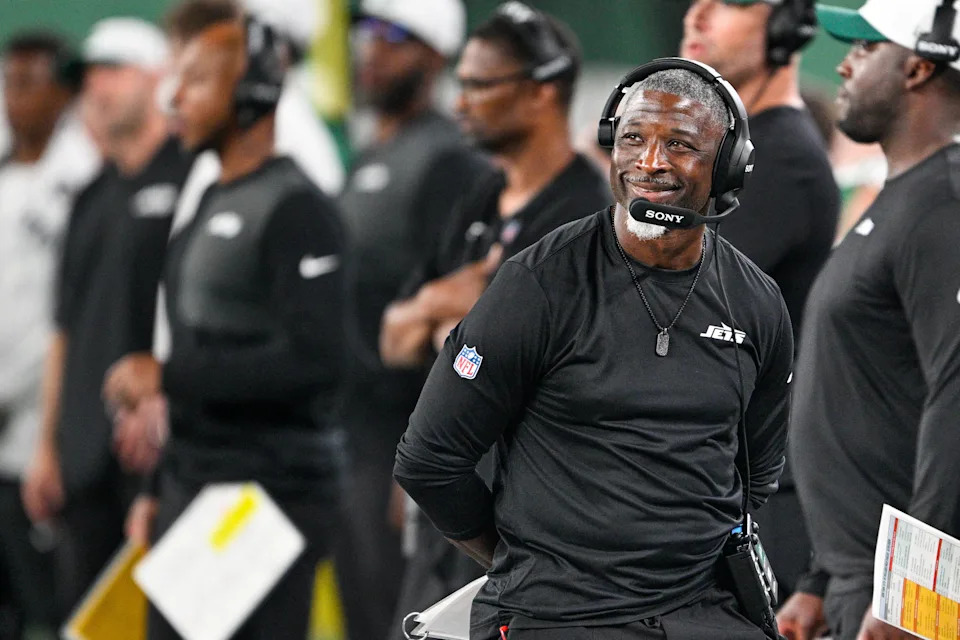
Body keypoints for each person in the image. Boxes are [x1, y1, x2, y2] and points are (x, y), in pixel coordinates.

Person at [395, 59, 794, 640]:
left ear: (728, 167)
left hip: (703, 615)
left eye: (679, 144)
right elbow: (429, 461)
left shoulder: (756, 303)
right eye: (633, 138)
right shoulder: (537, 284)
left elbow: (755, 473)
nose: (650, 162)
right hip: (561, 616)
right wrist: (526, 563)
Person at [102, 15, 346, 640]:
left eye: (195, 81)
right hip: (200, 486)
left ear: (254, 89)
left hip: (270, 495)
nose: (172, 98)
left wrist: (166, 375)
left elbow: (318, 360)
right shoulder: (208, 201)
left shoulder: (297, 208)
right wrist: (158, 488)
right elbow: (193, 353)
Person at [380, 4, 610, 634]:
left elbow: (531, 370)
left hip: (515, 511)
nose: (460, 102)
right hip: (445, 491)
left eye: (480, 85)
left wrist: (458, 331)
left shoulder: (583, 213)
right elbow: (395, 337)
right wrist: (438, 306)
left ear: (542, 92)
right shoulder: (479, 193)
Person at [790, 1, 960, 639]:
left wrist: (917, 593)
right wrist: (819, 579)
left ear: (917, 68)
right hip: (860, 578)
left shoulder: (944, 204)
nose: (843, 65)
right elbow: (868, 401)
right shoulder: (904, 197)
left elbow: (957, 399)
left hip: (903, 590)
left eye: (864, 50)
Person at [18, 18, 191, 619]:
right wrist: (45, 445)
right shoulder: (89, 196)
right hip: (83, 454)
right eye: (89, 74)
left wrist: (166, 391)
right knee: (87, 619)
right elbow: (63, 328)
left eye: (115, 70)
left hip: (158, 456)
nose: (98, 86)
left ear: (158, 78)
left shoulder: (191, 176)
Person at [681, 0, 840, 610]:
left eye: (729, 3)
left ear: (788, 26)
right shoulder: (738, 153)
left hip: (757, 500)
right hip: (724, 487)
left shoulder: (783, 158)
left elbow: (659, 302)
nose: (698, 15)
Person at [333, 1, 482, 636]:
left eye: (394, 36)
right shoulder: (374, 152)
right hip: (350, 431)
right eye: (365, 33)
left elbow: (458, 323)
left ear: (435, 54)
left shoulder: (446, 160)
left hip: (393, 441)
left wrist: (418, 457)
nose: (373, 49)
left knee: (395, 617)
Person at [0, 31, 98, 639]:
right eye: (8, 83)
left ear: (62, 93)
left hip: (39, 429)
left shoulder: (80, 180)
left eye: (28, 83)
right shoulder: (4, 172)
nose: (14, 98)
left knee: (50, 603)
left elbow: (62, 316)